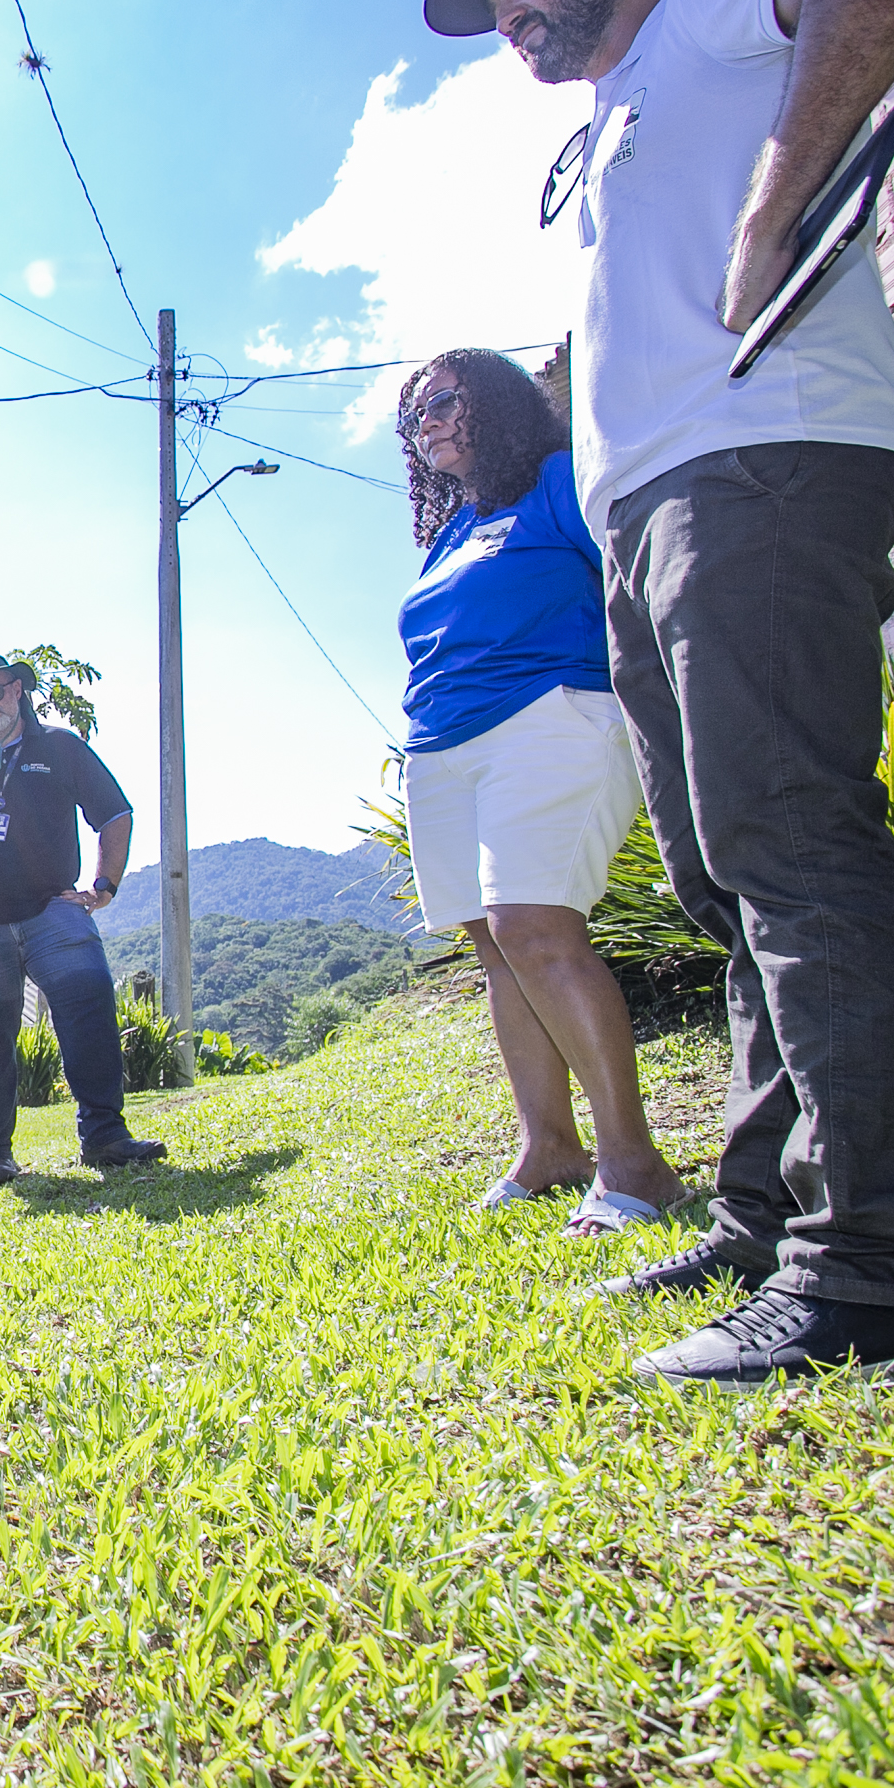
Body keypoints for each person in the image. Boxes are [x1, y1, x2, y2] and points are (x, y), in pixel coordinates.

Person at [428, 0, 894, 1383]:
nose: (515, 15)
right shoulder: (615, 115)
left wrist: (778, 195)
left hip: (763, 461)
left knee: (790, 842)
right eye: (498, 10)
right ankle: (765, 1213)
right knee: (719, 870)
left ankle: (880, 1268)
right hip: (656, 504)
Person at [394, 350, 684, 1235]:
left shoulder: (559, 484)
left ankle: (635, 1163)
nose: (427, 423)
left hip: (553, 716)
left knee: (535, 926)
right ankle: (549, 1148)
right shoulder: (452, 529)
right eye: (414, 418)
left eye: (443, 402)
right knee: (496, 947)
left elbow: (637, 575)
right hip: (442, 746)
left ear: (498, 403)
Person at [0, 650, 164, 1186]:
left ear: (18, 691)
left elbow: (115, 813)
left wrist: (104, 886)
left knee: (89, 1001)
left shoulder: (62, 747)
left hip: (54, 909)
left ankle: (104, 1136)